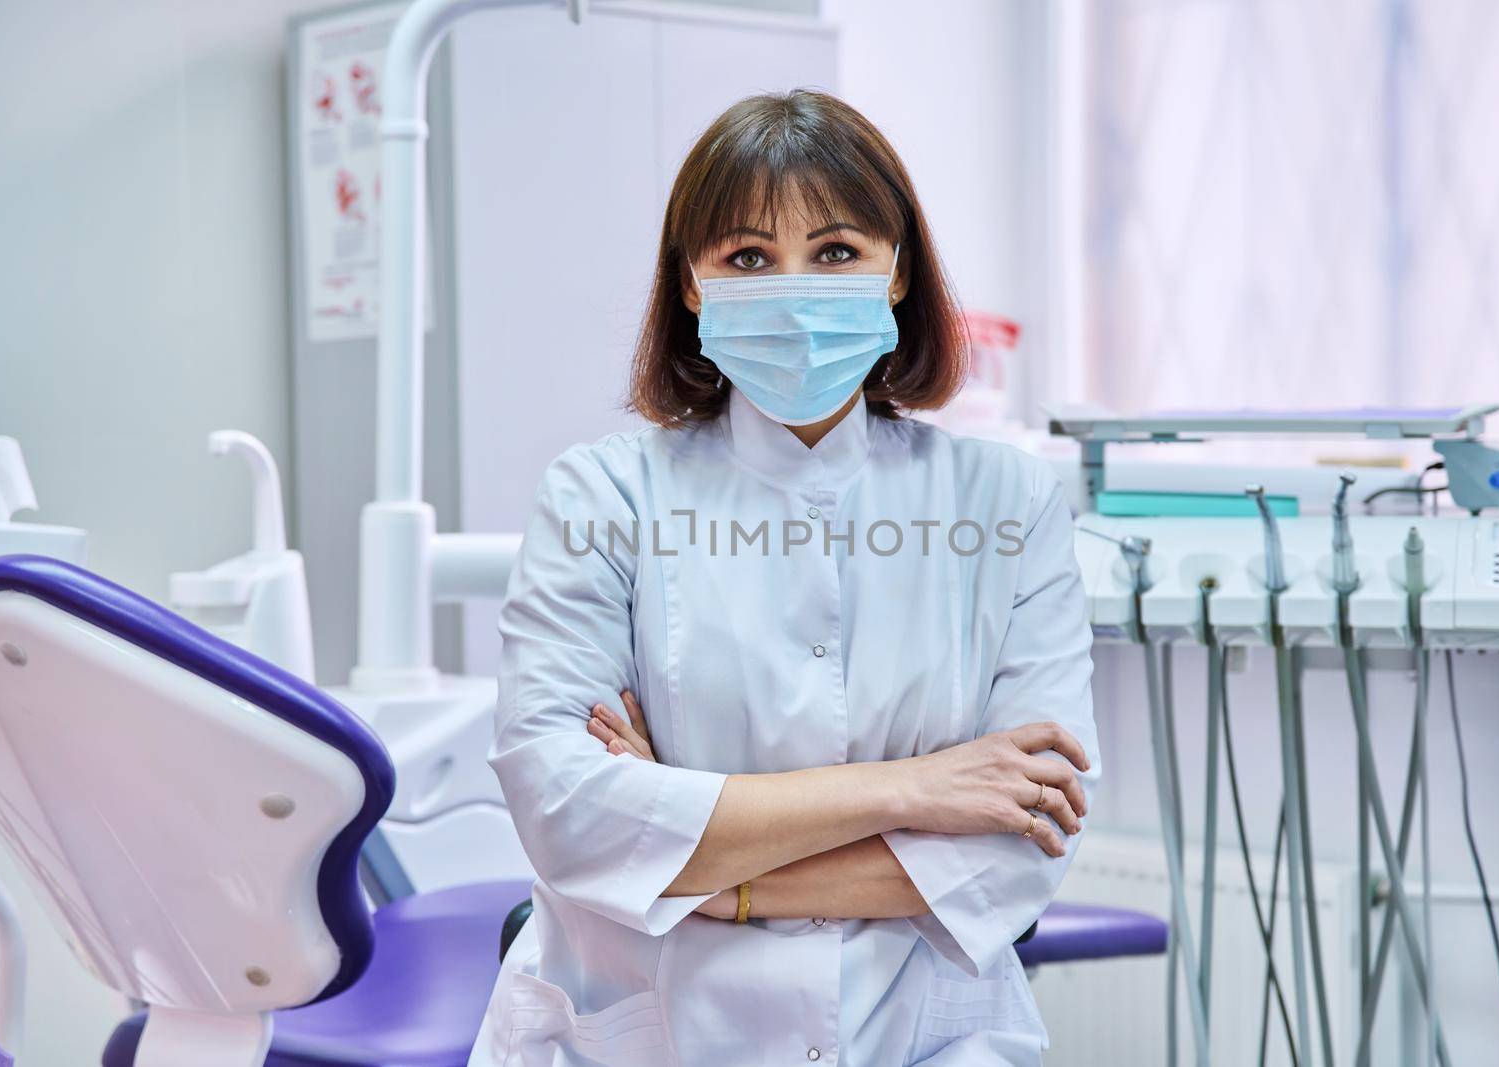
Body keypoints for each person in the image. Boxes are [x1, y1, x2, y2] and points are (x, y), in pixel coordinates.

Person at [469, 89, 1099, 1067]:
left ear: (897, 274)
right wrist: (920, 786)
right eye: (749, 257)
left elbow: (1020, 840)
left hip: (923, 1033)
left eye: (837, 251)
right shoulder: (600, 493)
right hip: (649, 1027)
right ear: (690, 282)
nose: (795, 287)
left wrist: (706, 871)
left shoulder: (1004, 500)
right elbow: (570, 818)